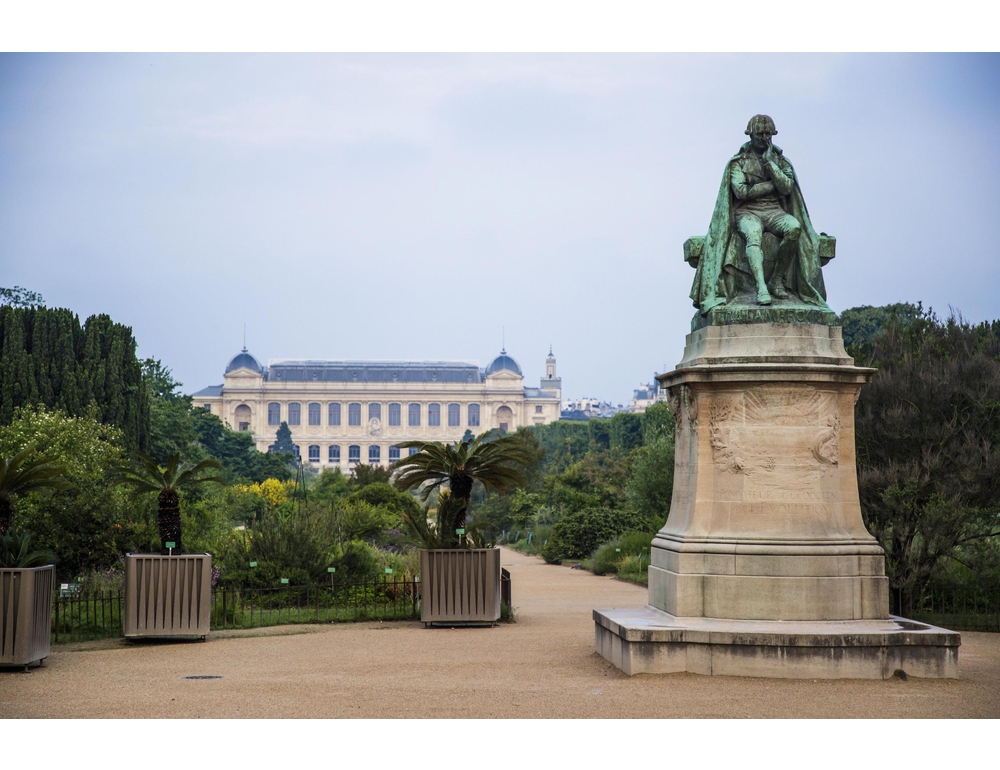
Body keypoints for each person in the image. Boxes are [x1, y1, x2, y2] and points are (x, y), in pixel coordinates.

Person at [689, 115, 831, 313]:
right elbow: (741, 192)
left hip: (774, 212)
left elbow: (788, 188)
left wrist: (770, 165)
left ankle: (776, 281)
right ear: (751, 134)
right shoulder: (738, 162)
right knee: (753, 235)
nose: (764, 138)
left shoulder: (780, 161)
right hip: (748, 213)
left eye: (768, 134)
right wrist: (773, 185)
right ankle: (761, 287)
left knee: (794, 228)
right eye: (760, 134)